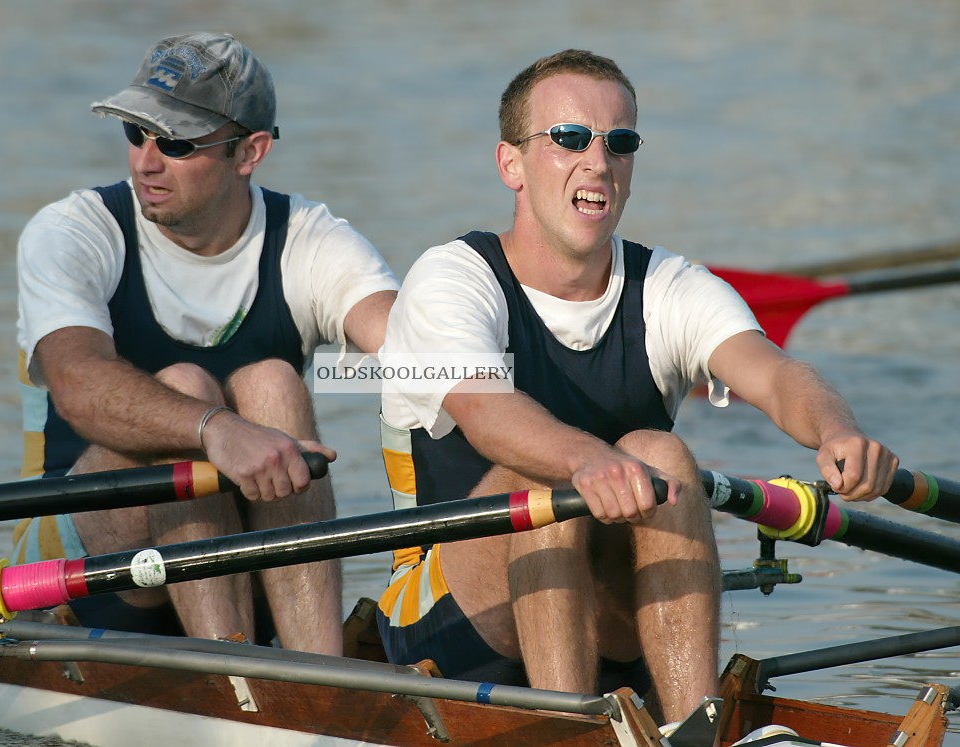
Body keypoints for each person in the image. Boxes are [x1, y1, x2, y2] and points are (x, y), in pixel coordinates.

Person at [374, 49, 898, 723]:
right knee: (547, 479)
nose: (598, 161)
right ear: (511, 164)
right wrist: (586, 459)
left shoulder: (670, 285)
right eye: (569, 139)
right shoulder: (452, 279)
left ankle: (690, 724)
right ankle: (573, 727)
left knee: (664, 454)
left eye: (619, 142)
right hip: (451, 625)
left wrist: (836, 429)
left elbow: (774, 373)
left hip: (612, 618)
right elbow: (485, 410)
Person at [12, 32, 398, 655]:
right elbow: (79, 386)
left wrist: (516, 383)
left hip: (246, 570)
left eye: (177, 142)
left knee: (276, 382)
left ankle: (315, 673)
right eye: (136, 134)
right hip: (87, 574)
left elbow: (415, 354)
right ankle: (236, 678)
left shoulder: (311, 239)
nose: (145, 161)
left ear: (251, 151)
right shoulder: (73, 232)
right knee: (189, 388)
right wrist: (213, 427)